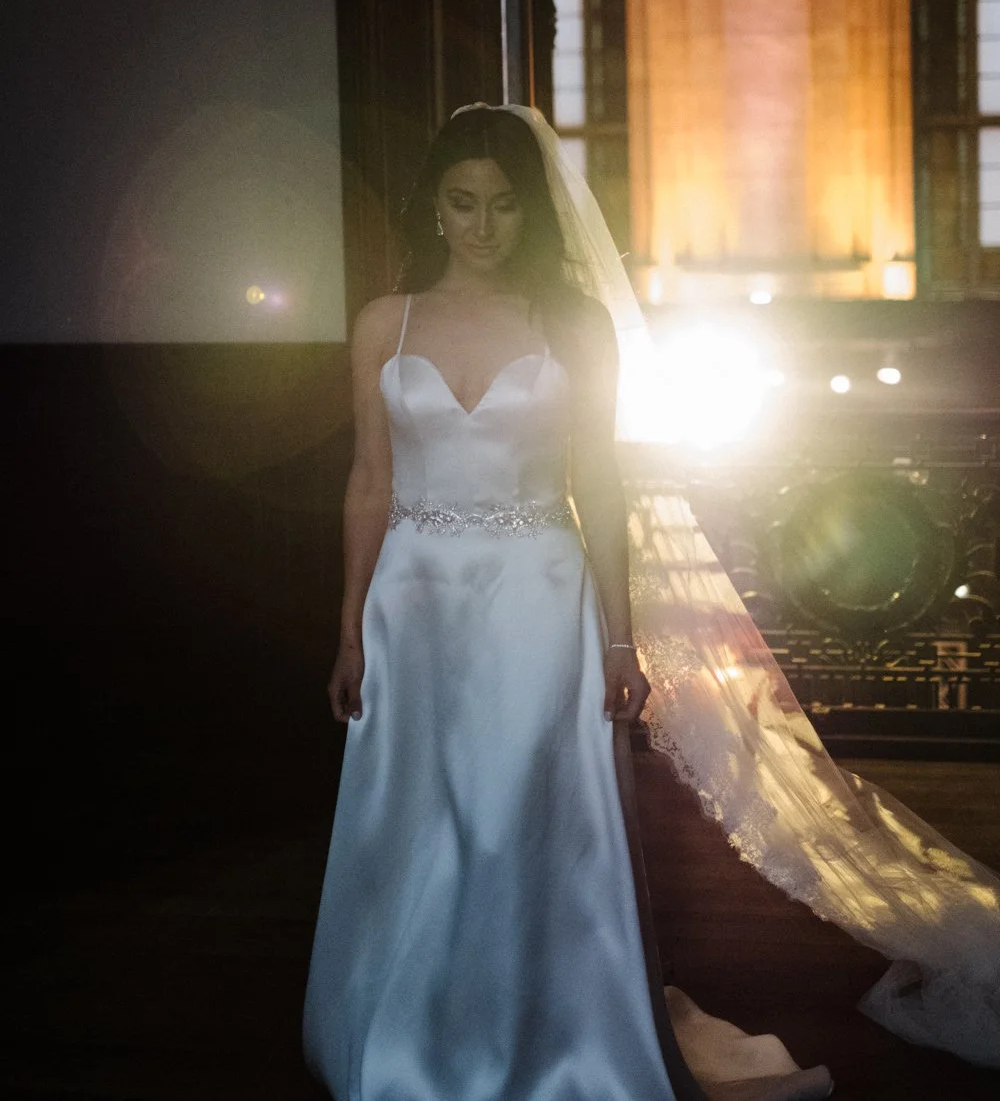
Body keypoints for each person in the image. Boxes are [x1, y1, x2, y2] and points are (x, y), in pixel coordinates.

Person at [304, 103, 998, 1099]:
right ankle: (412, 1037)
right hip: (410, 606)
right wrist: (347, 629)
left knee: (508, 822)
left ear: (530, 213)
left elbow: (603, 483)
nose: (483, 223)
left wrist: (621, 643)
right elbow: (370, 479)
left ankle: (537, 1041)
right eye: (463, 202)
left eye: (502, 204)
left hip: (538, 598)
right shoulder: (385, 322)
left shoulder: (574, 325)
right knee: (421, 823)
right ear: (436, 209)